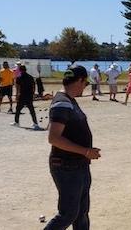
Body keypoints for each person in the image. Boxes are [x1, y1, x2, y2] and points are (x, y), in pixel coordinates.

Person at [44, 65, 101, 230]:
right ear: (80, 81)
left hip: (79, 165)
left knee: (81, 213)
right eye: (85, 84)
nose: (85, 88)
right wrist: (85, 151)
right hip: (66, 166)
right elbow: (54, 138)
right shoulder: (62, 103)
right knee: (68, 214)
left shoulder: (69, 101)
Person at [11, 65, 42, 130]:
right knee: (31, 110)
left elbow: (18, 88)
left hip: (22, 96)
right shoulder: (30, 77)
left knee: (18, 109)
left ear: (20, 70)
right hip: (29, 96)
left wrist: (17, 96)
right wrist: (33, 94)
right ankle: (35, 124)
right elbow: (34, 86)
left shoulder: (19, 77)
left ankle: (16, 122)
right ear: (26, 69)